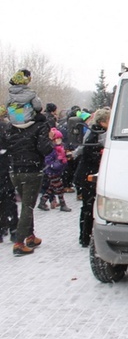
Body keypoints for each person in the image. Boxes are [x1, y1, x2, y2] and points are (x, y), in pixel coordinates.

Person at [2, 97, 53, 255]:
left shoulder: (12, 126)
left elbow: (8, 145)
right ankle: (19, 242)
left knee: (26, 204)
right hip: (32, 170)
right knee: (27, 206)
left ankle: (30, 236)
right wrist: (51, 142)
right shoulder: (39, 126)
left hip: (14, 170)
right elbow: (45, 149)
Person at [74, 108, 110, 247]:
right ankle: (85, 237)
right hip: (89, 175)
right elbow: (89, 152)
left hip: (87, 173)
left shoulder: (94, 131)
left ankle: (85, 236)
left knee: (87, 206)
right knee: (89, 206)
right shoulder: (96, 133)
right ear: (102, 122)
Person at [38, 127, 71, 212]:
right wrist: (55, 164)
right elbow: (48, 160)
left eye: (60, 138)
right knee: (59, 188)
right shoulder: (51, 150)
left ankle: (43, 201)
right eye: (57, 139)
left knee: (52, 187)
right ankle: (62, 204)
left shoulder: (60, 148)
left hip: (57, 170)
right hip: (52, 171)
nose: (59, 140)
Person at [0, 106, 19, 243]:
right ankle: (13, 230)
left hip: (4, 167)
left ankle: (3, 229)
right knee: (8, 200)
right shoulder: (7, 128)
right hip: (5, 169)